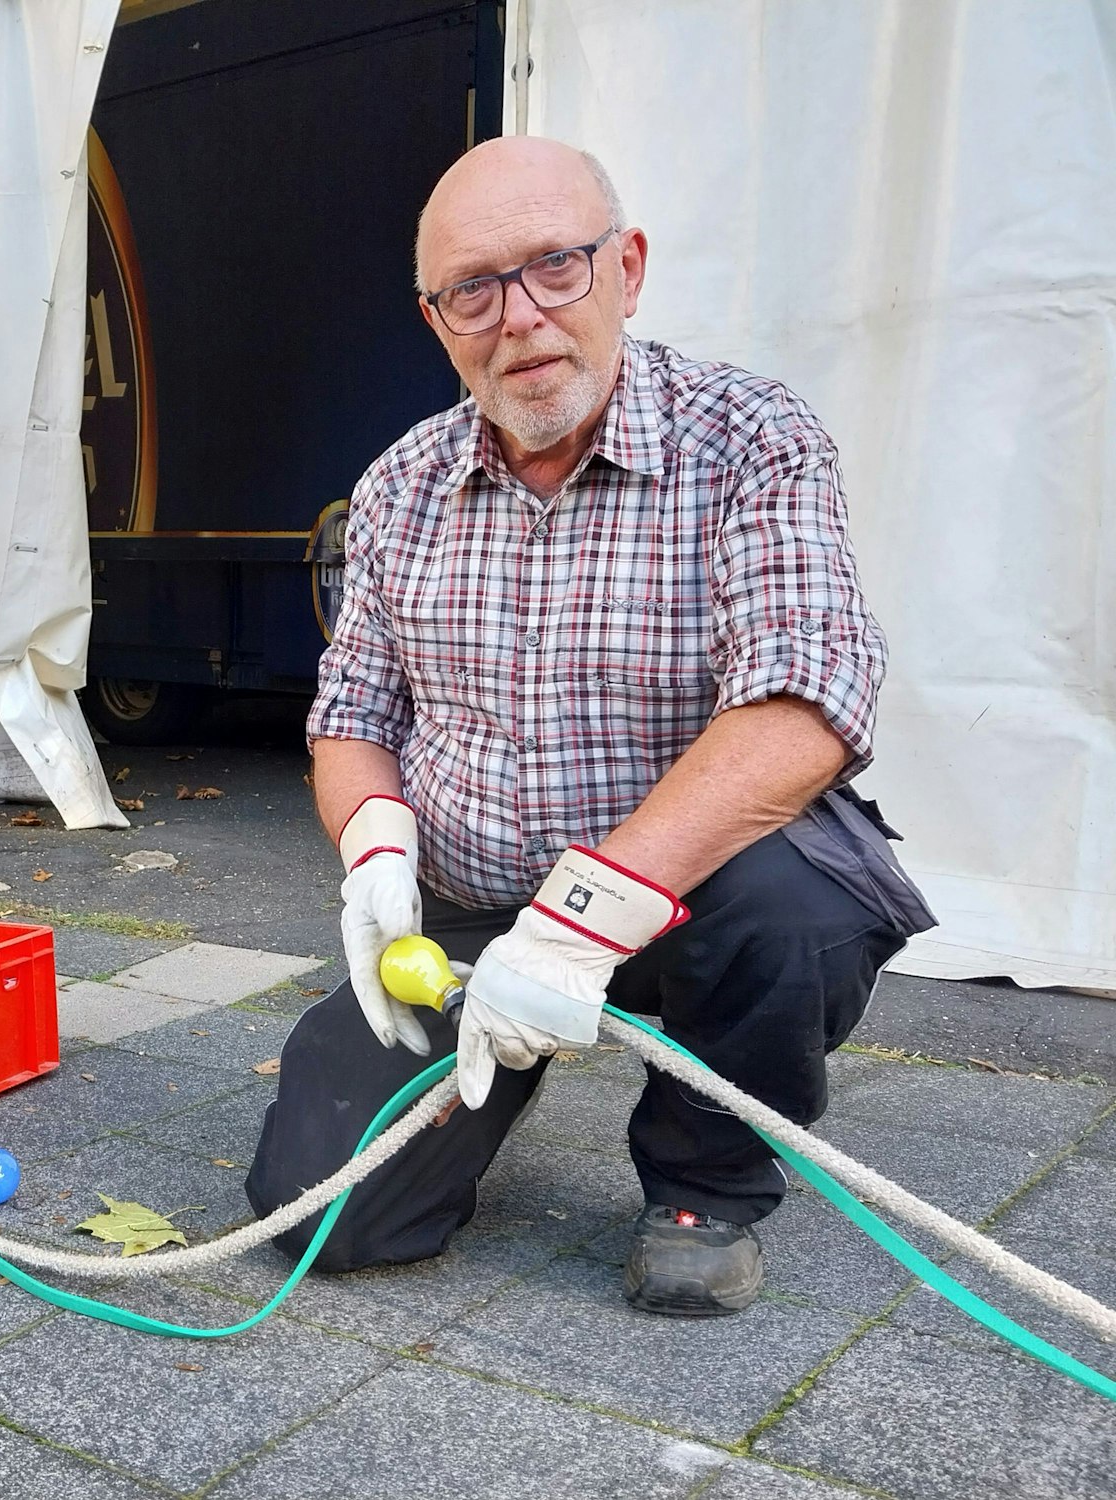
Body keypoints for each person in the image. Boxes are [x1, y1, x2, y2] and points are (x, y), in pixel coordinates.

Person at [244, 137, 934, 1316]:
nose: (516, 318)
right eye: (471, 288)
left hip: (685, 894)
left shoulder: (750, 438)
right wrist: (372, 852)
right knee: (325, 1221)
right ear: (434, 319)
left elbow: (803, 705)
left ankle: (703, 1178)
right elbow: (348, 713)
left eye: (553, 267)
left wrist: (580, 922)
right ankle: (479, 1063)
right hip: (468, 896)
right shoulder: (399, 486)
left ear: (626, 266)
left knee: (796, 904)